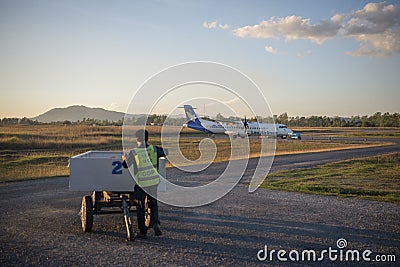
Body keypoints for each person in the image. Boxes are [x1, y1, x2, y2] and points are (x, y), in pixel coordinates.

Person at [122, 129, 167, 239]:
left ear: (136, 139)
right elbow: (166, 152)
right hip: (153, 182)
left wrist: (124, 158)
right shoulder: (154, 149)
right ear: (147, 138)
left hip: (141, 184)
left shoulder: (134, 152)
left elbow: (125, 165)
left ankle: (143, 232)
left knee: (141, 208)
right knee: (153, 204)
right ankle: (156, 223)